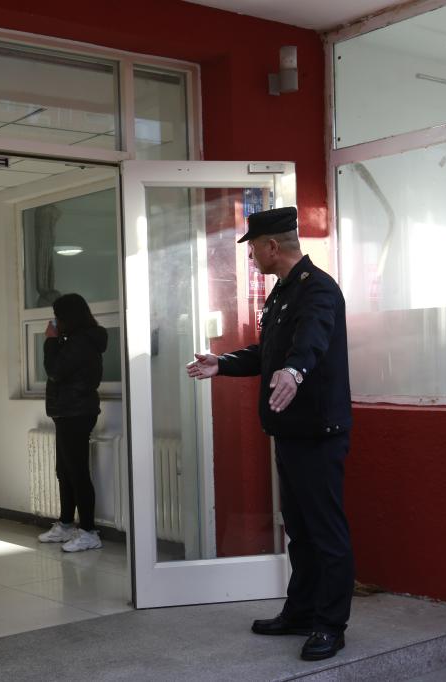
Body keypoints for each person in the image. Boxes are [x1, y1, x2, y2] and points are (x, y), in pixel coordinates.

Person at [185, 206, 354, 662]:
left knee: (325, 532)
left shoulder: (318, 289)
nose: (251, 256)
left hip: (318, 433)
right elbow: (269, 353)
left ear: (272, 246)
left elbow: (310, 341)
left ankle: (330, 626)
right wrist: (222, 363)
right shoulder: (281, 293)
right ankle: (300, 612)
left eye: (253, 248)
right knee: (299, 531)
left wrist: (295, 371)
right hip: (291, 432)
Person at [36, 293, 108, 552]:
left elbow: (55, 371)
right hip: (68, 412)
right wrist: (57, 340)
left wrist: (50, 340)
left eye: (58, 317)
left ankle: (88, 531)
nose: (55, 321)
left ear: (69, 317)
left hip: (76, 413)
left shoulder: (82, 342)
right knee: (65, 471)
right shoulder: (77, 340)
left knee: (77, 472)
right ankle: (66, 524)